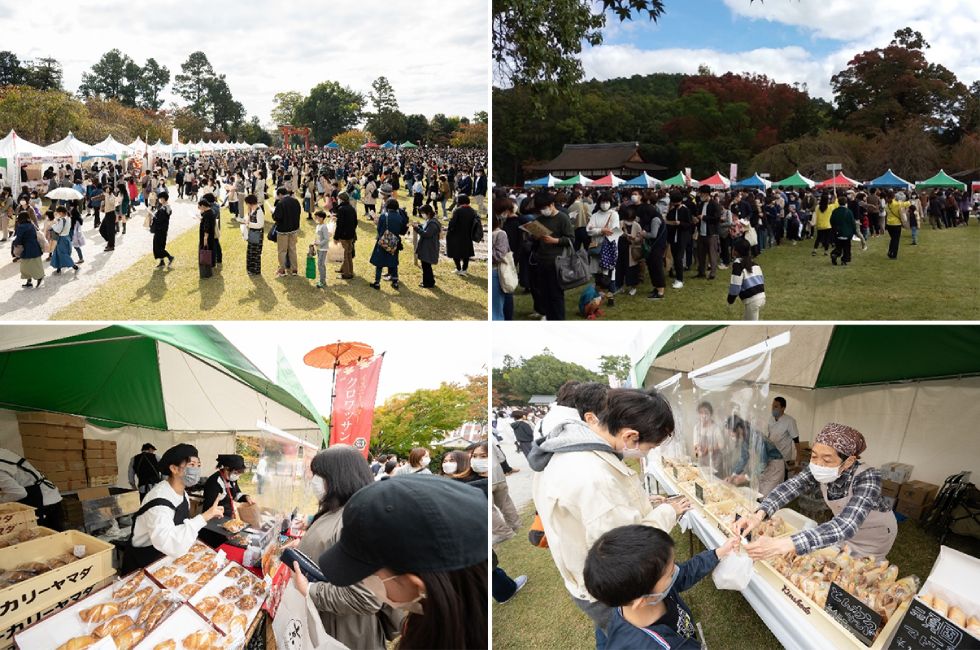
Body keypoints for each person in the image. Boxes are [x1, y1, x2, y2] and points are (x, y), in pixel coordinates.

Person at [529, 388, 690, 645]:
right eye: (650, 447)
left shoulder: (572, 448)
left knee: (611, 633)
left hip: (587, 579)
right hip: (609, 589)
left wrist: (643, 503)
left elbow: (599, 512)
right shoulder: (594, 478)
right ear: (630, 436)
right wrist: (670, 511)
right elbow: (629, 550)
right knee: (633, 636)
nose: (647, 454)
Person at [316, 475, 487, 650]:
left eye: (368, 575)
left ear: (417, 585)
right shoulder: (431, 622)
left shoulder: (437, 634)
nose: (364, 583)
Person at [291, 446, 402, 650]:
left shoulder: (357, 522)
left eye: (318, 474)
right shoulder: (342, 509)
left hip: (344, 631)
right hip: (330, 622)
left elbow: (366, 597)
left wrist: (310, 589)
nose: (313, 480)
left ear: (338, 477)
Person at [737, 423, 898, 562]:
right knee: (838, 561)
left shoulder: (868, 478)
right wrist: (759, 514)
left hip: (873, 534)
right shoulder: (817, 468)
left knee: (861, 569)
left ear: (848, 461)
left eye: (827, 460)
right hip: (841, 529)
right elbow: (790, 486)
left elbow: (846, 525)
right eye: (814, 456)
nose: (818, 464)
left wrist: (785, 544)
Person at [584, 525, 739, 650]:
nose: (676, 572)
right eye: (670, 573)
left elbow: (685, 573)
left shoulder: (632, 595)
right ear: (642, 601)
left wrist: (718, 553)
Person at [122, 443, 224, 572]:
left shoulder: (183, 494)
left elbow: (179, 529)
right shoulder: (159, 501)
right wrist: (204, 517)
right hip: (144, 561)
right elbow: (168, 542)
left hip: (165, 556)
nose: (197, 470)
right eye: (191, 465)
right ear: (174, 469)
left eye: (198, 465)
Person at [527, 191, 575, 321]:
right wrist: (534, 236)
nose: (543, 211)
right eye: (540, 209)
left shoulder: (562, 218)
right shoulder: (539, 219)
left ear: (552, 204)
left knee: (556, 294)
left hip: (558, 262)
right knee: (544, 293)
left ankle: (558, 320)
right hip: (542, 261)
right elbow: (533, 238)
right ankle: (548, 316)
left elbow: (571, 239)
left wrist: (556, 241)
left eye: (544, 208)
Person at [0, 447, 65, 530]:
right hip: (49, 495)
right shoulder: (3, 452)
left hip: (43, 502)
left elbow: (19, 493)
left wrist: (2, 500)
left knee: (48, 536)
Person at [722, 415, 785, 497]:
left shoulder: (755, 436)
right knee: (759, 492)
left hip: (774, 466)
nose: (731, 435)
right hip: (764, 466)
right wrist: (733, 476)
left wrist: (745, 477)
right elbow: (743, 458)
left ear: (739, 428)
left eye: (731, 432)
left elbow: (763, 462)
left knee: (765, 495)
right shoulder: (744, 437)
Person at [369, 198, 408, 291]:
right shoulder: (400, 217)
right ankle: (395, 281)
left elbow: (379, 230)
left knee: (379, 263)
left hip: (383, 241)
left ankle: (377, 283)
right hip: (395, 241)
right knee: (393, 262)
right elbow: (402, 230)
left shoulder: (383, 216)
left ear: (387, 206)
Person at [202, 454, 254, 519]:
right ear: (226, 469)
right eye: (235, 473)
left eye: (239, 473)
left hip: (227, 515)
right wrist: (232, 505)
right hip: (214, 517)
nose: (237, 476)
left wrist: (246, 497)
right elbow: (211, 506)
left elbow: (236, 494)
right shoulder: (214, 482)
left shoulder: (231, 479)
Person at [727, 238, 766, 320]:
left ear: (736, 251)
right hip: (762, 296)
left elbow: (735, 285)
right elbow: (762, 279)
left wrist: (731, 299)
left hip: (753, 301)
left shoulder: (738, 264)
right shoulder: (755, 264)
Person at [664, 192, 692, 290]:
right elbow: (667, 222)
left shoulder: (685, 210)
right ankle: (677, 277)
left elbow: (689, 224)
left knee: (679, 258)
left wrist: (680, 223)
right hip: (673, 237)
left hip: (682, 237)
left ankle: (680, 279)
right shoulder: (672, 211)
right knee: (675, 257)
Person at [446, 195, 480, 275]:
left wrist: (449, 231)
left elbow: (452, 223)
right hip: (468, 235)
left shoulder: (457, 210)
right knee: (466, 253)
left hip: (456, 234)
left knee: (455, 252)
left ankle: (458, 268)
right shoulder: (473, 211)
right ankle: (464, 269)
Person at [273, 187, 302, 277]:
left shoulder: (280, 203)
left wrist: (273, 213)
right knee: (292, 249)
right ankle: (294, 269)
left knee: (282, 251)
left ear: (280, 194)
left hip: (283, 230)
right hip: (293, 229)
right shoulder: (295, 201)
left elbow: (277, 217)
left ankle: (282, 270)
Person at [767, 397, 800, 477]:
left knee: (781, 480)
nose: (773, 408)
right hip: (771, 456)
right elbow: (769, 435)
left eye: (776, 406)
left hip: (783, 458)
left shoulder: (790, 421)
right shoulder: (771, 419)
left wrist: (798, 459)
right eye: (772, 406)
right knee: (771, 479)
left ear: (783, 408)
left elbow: (796, 440)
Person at [12, 212, 45, 288]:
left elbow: (19, 238)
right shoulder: (31, 224)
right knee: (36, 264)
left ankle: (32, 280)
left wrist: (15, 244)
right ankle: (33, 279)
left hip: (27, 248)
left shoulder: (21, 227)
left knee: (25, 266)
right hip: (35, 246)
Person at [413, 204, 441, 289]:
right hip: (427, 246)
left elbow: (427, 234)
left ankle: (428, 283)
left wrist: (417, 229)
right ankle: (429, 281)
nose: (422, 215)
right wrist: (419, 226)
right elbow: (425, 229)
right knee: (426, 265)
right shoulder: (430, 220)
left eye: (422, 213)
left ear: (428, 213)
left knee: (426, 266)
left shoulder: (432, 223)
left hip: (429, 247)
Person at [334, 192, 357, 280]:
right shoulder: (351, 208)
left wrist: (336, 237)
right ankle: (347, 270)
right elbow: (355, 222)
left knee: (345, 255)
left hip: (344, 235)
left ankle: (347, 274)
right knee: (349, 254)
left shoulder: (341, 209)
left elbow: (340, 225)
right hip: (351, 234)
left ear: (341, 199)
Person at [49, 206, 79, 275]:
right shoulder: (68, 218)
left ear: (61, 213)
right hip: (66, 237)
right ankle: (58, 267)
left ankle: (73, 265)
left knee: (62, 253)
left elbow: (58, 230)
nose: (57, 214)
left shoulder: (62, 220)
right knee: (58, 252)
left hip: (61, 238)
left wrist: (53, 225)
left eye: (58, 213)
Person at [829, 195, 856, 266]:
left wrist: (834, 229)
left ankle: (835, 254)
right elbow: (853, 223)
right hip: (847, 233)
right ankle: (844, 260)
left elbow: (831, 221)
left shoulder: (835, 211)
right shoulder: (849, 212)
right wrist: (854, 231)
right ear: (846, 203)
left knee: (838, 246)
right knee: (847, 248)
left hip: (837, 233)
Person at [884, 190, 911, 260]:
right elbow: (907, 203)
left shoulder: (886, 205)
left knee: (893, 239)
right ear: (893, 196)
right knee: (896, 240)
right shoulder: (897, 204)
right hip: (896, 224)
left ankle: (890, 251)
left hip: (889, 224)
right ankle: (893, 254)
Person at [152, 191, 175, 269]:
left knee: (157, 246)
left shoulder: (164, 208)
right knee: (160, 245)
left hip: (160, 230)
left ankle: (170, 257)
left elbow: (159, 220)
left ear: (163, 199)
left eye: (160, 198)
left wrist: (153, 217)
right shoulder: (166, 207)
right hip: (163, 230)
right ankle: (162, 262)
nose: (159, 200)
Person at [243, 194, 264, 275]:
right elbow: (248, 217)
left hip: (257, 234)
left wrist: (249, 224)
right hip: (253, 233)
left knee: (255, 253)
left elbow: (260, 225)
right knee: (251, 252)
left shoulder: (259, 211)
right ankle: (251, 270)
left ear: (250, 203)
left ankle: (255, 271)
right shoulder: (252, 209)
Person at [197, 199, 217, 278]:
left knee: (205, 250)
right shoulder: (210, 212)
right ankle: (211, 263)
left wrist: (205, 237)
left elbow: (207, 227)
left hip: (206, 236)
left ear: (203, 206)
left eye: (199, 206)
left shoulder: (207, 214)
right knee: (210, 249)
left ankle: (207, 266)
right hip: (211, 235)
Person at [313, 210, 330, 289]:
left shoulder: (324, 227)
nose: (316, 218)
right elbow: (318, 236)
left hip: (323, 249)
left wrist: (319, 244)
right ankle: (322, 280)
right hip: (319, 248)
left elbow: (326, 239)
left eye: (318, 217)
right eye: (316, 216)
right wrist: (315, 242)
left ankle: (322, 281)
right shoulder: (318, 226)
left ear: (322, 218)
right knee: (320, 264)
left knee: (320, 264)